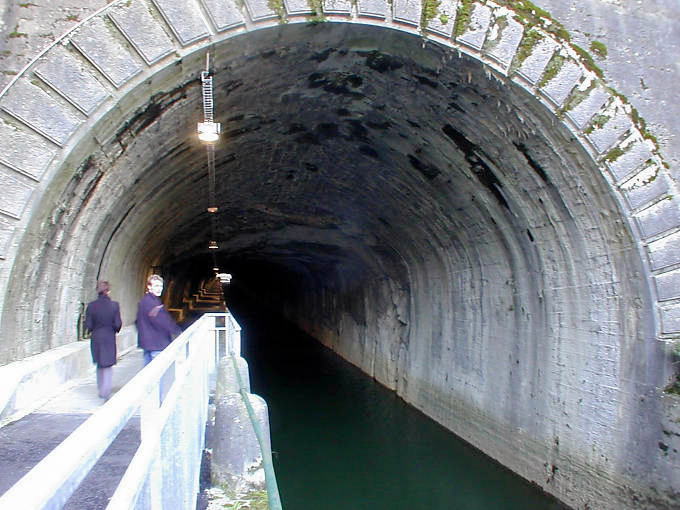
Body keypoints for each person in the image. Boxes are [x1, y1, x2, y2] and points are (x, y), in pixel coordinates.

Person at [85, 281, 122, 400]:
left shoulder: (91, 306)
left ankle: (101, 388)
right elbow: (118, 324)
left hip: (96, 337)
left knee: (100, 363)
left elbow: (88, 325)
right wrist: (114, 329)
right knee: (107, 364)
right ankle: (105, 390)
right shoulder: (114, 305)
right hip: (109, 337)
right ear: (108, 291)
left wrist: (94, 329)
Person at [136, 274, 181, 366]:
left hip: (147, 344)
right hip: (157, 344)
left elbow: (138, 321)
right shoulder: (154, 303)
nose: (159, 289)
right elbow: (163, 321)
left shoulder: (143, 301)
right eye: (156, 286)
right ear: (149, 287)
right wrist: (177, 331)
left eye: (161, 286)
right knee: (156, 376)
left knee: (148, 373)